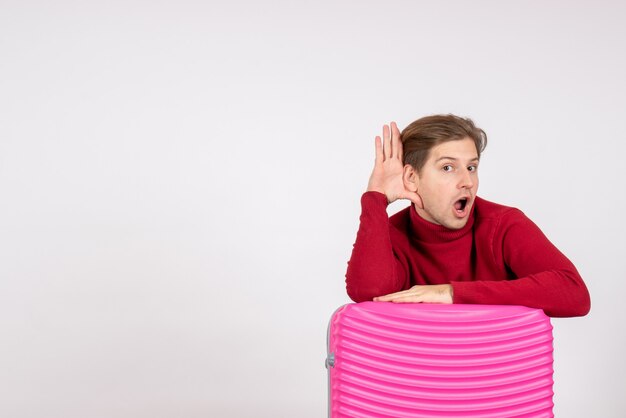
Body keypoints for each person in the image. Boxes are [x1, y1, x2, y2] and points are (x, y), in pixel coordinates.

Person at [345, 114, 590, 317]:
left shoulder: (503, 225)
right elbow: (369, 293)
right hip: (418, 372)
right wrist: (376, 199)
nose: (467, 182)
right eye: (448, 167)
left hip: (496, 371)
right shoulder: (391, 234)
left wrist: (450, 293)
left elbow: (573, 293)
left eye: (471, 167)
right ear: (412, 178)